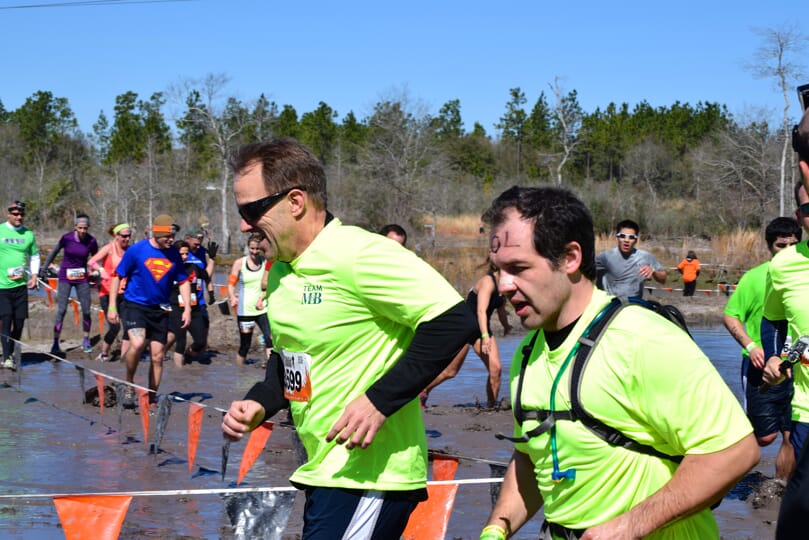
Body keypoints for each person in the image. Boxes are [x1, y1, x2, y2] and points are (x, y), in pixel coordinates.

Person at [220, 138, 476, 539]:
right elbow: (292, 364)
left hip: (372, 475)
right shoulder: (282, 272)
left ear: (295, 201)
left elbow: (455, 320)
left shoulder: (358, 253)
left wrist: (379, 401)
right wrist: (259, 402)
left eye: (250, 211)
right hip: (324, 469)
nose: (243, 225)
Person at [480, 186, 758, 540]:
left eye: (518, 268)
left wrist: (629, 526)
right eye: (498, 270)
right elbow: (530, 458)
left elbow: (735, 452)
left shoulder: (640, 337)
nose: (503, 285)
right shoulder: (527, 352)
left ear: (570, 258)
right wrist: (496, 529)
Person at [723, 217, 800, 484]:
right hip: (759, 367)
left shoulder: (804, 275)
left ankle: (780, 489)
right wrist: (751, 346)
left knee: (792, 433)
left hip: (797, 367)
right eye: (781, 246)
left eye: (794, 244)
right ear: (769, 247)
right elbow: (731, 316)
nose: (788, 251)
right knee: (765, 437)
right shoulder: (754, 278)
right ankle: (717, 454)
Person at [764, 108, 809, 538]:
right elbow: (773, 323)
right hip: (807, 409)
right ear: (799, 218)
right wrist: (774, 357)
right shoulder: (784, 267)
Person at [107, 214, 191, 405]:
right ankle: (129, 383)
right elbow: (116, 276)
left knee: (158, 356)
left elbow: (184, 281)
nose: (171, 239)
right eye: (167, 236)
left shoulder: (174, 254)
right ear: (157, 233)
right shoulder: (137, 251)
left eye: (172, 235)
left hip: (160, 309)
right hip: (135, 305)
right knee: (137, 343)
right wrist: (112, 306)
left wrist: (186, 309)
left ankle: (151, 399)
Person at [423, 260, 512, 408]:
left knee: (496, 369)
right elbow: (481, 311)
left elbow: (501, 309)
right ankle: (423, 391)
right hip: (464, 328)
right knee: (450, 372)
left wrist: (506, 325)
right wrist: (485, 337)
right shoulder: (488, 282)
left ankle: (491, 406)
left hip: (481, 329)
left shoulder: (505, 285)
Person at [43, 213, 99, 354]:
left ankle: (86, 340)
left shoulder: (91, 241)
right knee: (61, 310)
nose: (83, 231)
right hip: (65, 278)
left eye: (85, 228)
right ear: (75, 227)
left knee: (86, 310)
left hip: (82, 278)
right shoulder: (66, 238)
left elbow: (95, 259)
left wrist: (95, 272)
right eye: (80, 228)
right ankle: (56, 343)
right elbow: (54, 252)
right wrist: (44, 268)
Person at [0, 201, 39, 369]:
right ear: (8, 214)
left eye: (21, 214)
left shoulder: (28, 234)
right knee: (6, 318)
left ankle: (14, 349)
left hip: (21, 285)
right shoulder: (1, 230)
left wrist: (35, 275)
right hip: (2, 286)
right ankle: (7, 357)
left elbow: (35, 256)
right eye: (15, 214)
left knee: (20, 321)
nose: (19, 217)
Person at [88, 223, 132, 362]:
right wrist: (101, 271)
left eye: (129, 235)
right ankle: (104, 354)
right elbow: (92, 261)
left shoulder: (131, 250)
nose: (127, 239)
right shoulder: (109, 248)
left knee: (128, 327)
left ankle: (124, 359)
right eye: (124, 236)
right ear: (116, 236)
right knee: (115, 326)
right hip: (107, 293)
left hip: (125, 293)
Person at [227, 233, 273, 366]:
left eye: (257, 249)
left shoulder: (266, 262)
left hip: (263, 307)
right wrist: (232, 297)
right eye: (252, 248)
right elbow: (231, 284)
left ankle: (271, 369)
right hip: (245, 310)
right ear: (248, 247)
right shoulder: (240, 263)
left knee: (270, 339)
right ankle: (240, 372)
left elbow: (269, 283)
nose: (254, 252)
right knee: (245, 345)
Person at [595, 219, 666, 298]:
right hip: (611, 305)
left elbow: (663, 279)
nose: (626, 240)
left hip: (634, 304)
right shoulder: (604, 257)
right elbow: (585, 274)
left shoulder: (645, 257)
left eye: (631, 237)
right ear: (617, 238)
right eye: (622, 236)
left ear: (636, 240)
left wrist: (653, 271)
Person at [165, 240, 208, 367]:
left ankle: (188, 355)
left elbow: (207, 276)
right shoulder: (169, 269)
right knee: (181, 341)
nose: (184, 257)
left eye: (186, 254)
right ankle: (179, 372)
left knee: (201, 341)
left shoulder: (194, 267)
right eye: (181, 254)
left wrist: (211, 260)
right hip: (176, 308)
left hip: (194, 309)